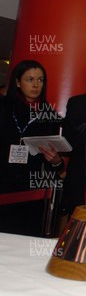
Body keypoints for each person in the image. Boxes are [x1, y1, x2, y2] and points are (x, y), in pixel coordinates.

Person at [0, 59, 64, 236]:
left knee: (24, 243)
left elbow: (55, 166)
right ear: (18, 82)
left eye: (40, 80)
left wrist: (57, 161)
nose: (36, 85)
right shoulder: (4, 107)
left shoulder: (49, 115)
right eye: (30, 79)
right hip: (3, 185)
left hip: (31, 192)